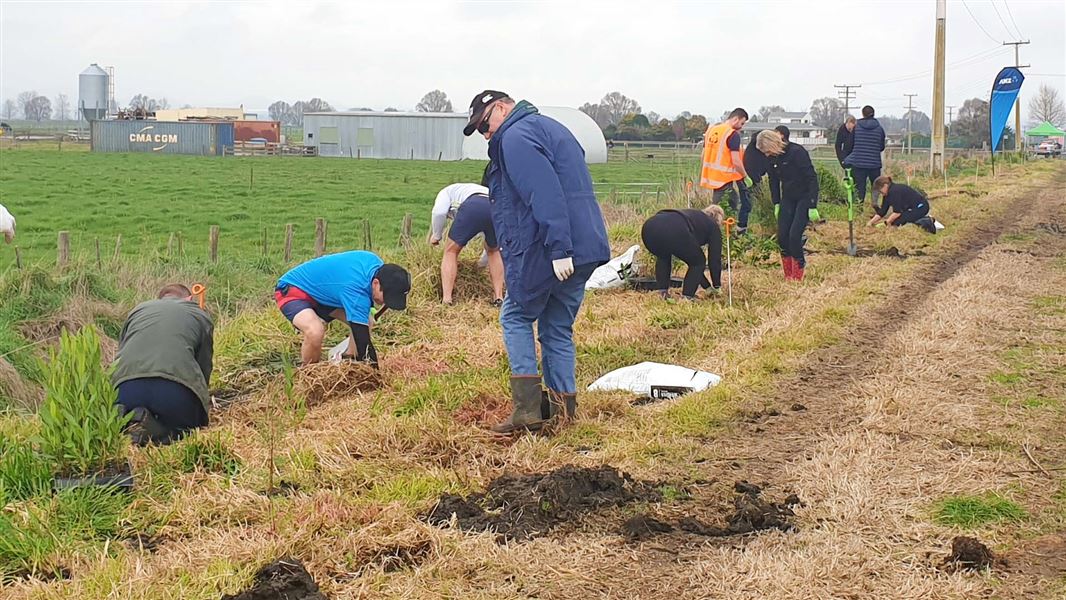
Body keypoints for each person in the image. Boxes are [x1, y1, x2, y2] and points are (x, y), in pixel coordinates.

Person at [463, 89, 610, 433]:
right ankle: (563, 414)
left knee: (515, 314)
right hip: (586, 244)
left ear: (501, 108)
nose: (487, 134)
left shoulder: (515, 136)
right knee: (556, 326)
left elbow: (543, 192)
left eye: (485, 124)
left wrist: (559, 248)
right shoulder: (550, 127)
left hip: (553, 247)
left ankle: (527, 410)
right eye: (481, 130)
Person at [112, 284, 214, 445]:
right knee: (187, 432)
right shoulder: (197, 314)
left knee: (126, 406)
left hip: (124, 387)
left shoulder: (138, 310)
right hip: (174, 391)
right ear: (189, 299)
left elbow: (122, 354)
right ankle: (156, 432)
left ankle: (126, 419)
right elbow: (203, 366)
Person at [275, 251, 411, 366]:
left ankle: (348, 360)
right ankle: (310, 376)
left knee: (367, 321)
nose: (383, 303)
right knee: (315, 331)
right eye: (385, 297)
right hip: (294, 290)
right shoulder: (356, 290)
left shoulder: (376, 266)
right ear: (376, 284)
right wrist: (375, 375)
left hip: (325, 295)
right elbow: (363, 342)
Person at [754, 130, 819, 281]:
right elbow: (773, 181)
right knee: (782, 237)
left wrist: (812, 205)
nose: (766, 154)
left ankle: (798, 273)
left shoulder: (797, 153)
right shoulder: (772, 159)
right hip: (788, 198)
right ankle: (788, 274)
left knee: (794, 236)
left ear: (773, 144)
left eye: (766, 150)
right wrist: (776, 202)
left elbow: (811, 178)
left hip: (804, 197)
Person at [428, 183, 504, 306]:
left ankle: (447, 299)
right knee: (494, 251)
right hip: (496, 208)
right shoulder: (471, 189)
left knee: (451, 251)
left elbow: (439, 212)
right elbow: (489, 248)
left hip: (473, 206)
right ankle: (499, 298)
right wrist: (480, 265)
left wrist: (436, 235)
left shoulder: (445, 192)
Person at [640, 205, 724, 300]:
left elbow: (692, 265)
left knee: (663, 255)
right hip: (675, 229)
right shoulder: (713, 226)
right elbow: (714, 260)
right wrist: (716, 286)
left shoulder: (695, 216)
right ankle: (687, 298)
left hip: (649, 227)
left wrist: (707, 287)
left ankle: (663, 293)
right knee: (699, 262)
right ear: (718, 220)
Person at [700, 108, 753, 234]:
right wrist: (744, 176)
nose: (741, 127)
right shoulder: (732, 135)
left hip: (711, 176)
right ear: (735, 119)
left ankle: (725, 235)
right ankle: (721, 237)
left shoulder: (711, 130)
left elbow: (703, 155)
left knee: (724, 206)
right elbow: (736, 160)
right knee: (722, 211)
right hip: (723, 179)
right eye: (742, 123)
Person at [843, 106, 886, 209]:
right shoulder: (879, 129)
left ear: (863, 114)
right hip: (874, 163)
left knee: (859, 187)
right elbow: (881, 147)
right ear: (873, 114)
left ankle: (858, 208)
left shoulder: (856, 128)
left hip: (858, 163)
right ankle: (875, 206)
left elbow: (849, 144)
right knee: (876, 186)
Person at [866, 175, 935, 231]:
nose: (880, 193)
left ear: (885, 185)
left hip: (921, 207)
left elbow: (897, 212)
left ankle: (927, 220)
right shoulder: (886, 195)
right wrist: (871, 222)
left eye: (880, 191)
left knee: (896, 222)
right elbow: (882, 212)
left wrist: (886, 223)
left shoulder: (894, 191)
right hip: (910, 209)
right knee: (897, 220)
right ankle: (920, 219)